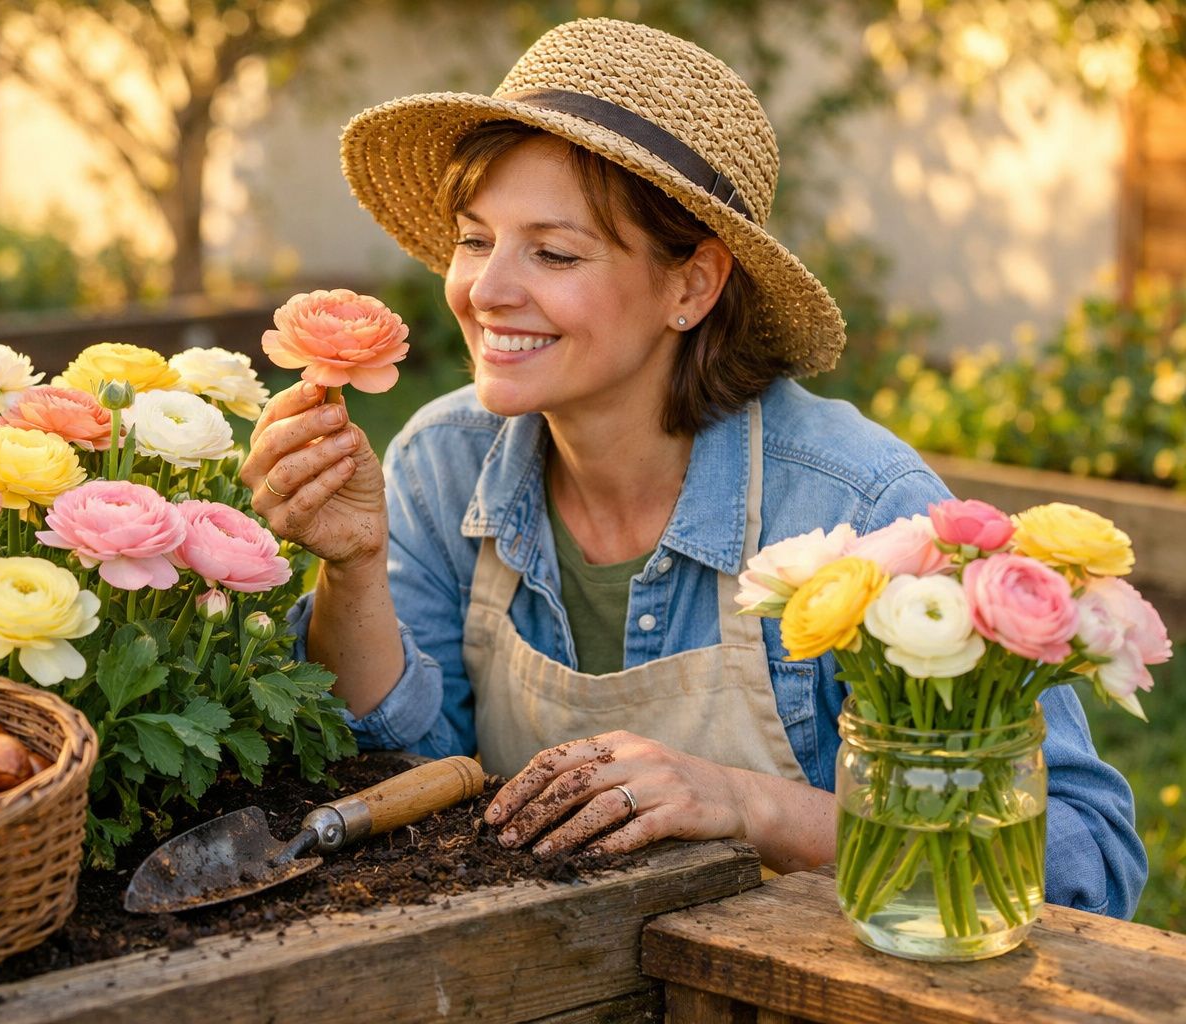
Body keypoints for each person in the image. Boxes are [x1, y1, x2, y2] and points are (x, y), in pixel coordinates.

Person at [240, 18, 1145, 917]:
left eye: (553, 252)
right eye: (477, 239)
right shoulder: (444, 460)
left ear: (691, 286)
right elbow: (409, 776)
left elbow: (1080, 858)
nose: (486, 289)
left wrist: (750, 805)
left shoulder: (862, 507)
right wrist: (353, 569)